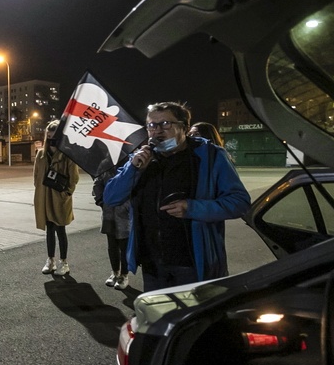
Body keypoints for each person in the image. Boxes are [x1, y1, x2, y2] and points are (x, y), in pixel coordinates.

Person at [104, 101, 250, 292]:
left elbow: (240, 202)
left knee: (196, 318)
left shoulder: (211, 156)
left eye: (166, 124)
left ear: (185, 127)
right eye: (151, 125)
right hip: (152, 265)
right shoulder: (143, 158)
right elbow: (111, 197)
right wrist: (133, 169)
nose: (157, 131)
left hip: (192, 264)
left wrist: (192, 208)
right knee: (160, 318)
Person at [33, 121, 80, 276]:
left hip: (60, 199)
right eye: (49, 135)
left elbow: (73, 178)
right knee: (49, 230)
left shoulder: (67, 154)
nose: (51, 138)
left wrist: (65, 194)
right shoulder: (41, 154)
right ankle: (50, 260)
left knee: (61, 230)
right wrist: (41, 192)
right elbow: (36, 177)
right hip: (45, 198)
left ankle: (64, 262)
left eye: (55, 135)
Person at [93, 155, 131, 289]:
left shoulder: (130, 162)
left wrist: (128, 205)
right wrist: (100, 201)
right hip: (108, 211)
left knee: (124, 245)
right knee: (112, 244)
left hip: (124, 212)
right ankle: (115, 272)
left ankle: (124, 275)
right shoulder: (105, 163)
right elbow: (97, 183)